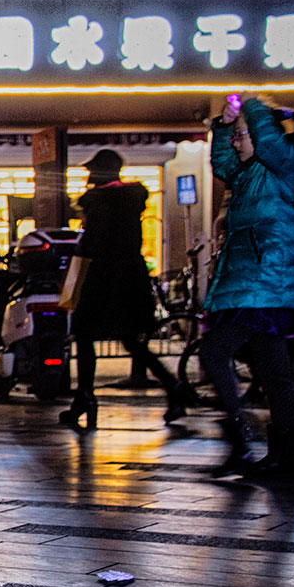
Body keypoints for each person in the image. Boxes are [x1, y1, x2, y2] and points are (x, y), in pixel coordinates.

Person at [198, 94, 294, 481]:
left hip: (266, 277)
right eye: (237, 136)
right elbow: (222, 161)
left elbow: (269, 142)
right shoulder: (246, 174)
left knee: (215, 350)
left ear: (264, 135)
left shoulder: (286, 163)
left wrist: (256, 108)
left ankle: (241, 438)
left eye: (243, 135)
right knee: (274, 368)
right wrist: (224, 126)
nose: (238, 141)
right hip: (252, 277)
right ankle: (286, 456)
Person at [61, 148, 195, 429]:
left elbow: (93, 243)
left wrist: (80, 244)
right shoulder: (131, 199)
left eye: (91, 170)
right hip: (131, 280)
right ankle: (173, 387)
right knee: (133, 342)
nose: (88, 175)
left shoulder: (99, 202)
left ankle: (85, 397)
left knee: (84, 336)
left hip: (104, 279)